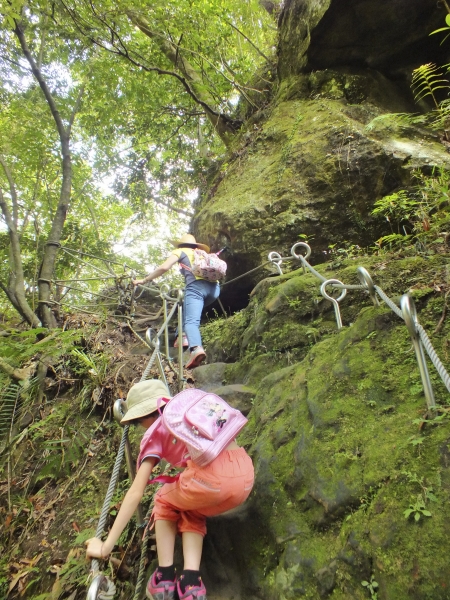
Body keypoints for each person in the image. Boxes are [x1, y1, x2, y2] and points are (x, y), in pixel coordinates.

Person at [85, 379, 254, 600]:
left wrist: (106, 547)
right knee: (192, 508)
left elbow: (136, 492)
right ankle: (191, 584)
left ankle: (164, 577)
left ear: (144, 417)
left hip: (212, 481)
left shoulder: (155, 432)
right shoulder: (190, 410)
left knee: (164, 498)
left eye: (137, 423)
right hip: (244, 475)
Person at [132, 234, 220, 369]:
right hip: (215, 290)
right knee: (186, 308)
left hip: (196, 288)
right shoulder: (200, 253)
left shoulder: (180, 251)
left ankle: (196, 348)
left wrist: (144, 280)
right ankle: (182, 336)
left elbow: (164, 268)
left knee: (191, 322)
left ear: (181, 245)